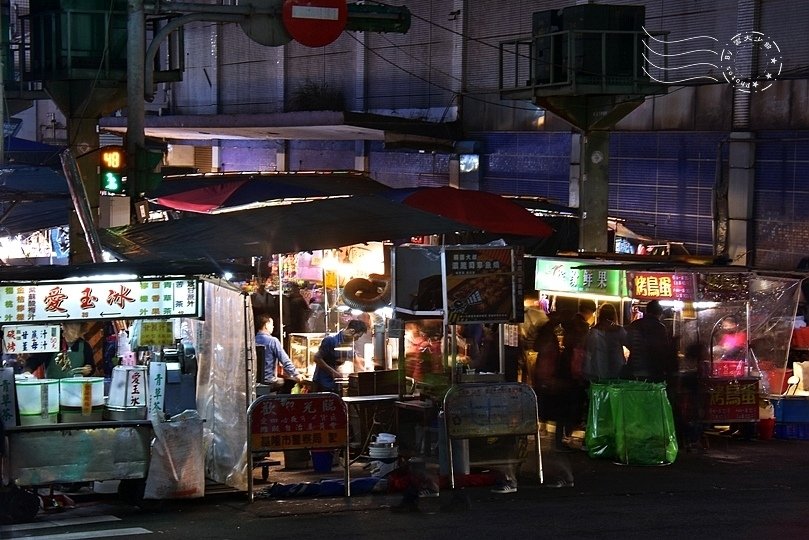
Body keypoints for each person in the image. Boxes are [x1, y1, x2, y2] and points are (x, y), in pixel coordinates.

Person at [622, 300, 677, 382]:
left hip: (634, 369)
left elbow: (626, 342)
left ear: (647, 311)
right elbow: (664, 350)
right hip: (653, 371)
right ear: (659, 313)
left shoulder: (634, 324)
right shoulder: (660, 328)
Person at [311, 319, 368, 393]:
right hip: (323, 383)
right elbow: (316, 358)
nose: (357, 339)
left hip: (335, 383)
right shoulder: (330, 340)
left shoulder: (349, 343)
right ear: (352, 331)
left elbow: (355, 360)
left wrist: (364, 372)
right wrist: (333, 372)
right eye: (358, 336)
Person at [24, 322, 94, 379]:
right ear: (64, 327)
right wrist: (27, 372)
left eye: (78, 331)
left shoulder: (85, 346)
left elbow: (91, 366)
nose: (75, 335)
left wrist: (88, 369)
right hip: (53, 387)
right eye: (72, 331)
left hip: (76, 387)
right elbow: (35, 360)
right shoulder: (53, 342)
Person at [255, 314, 303, 392]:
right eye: (272, 324)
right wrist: (296, 374)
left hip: (255, 383)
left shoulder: (252, 341)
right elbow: (285, 360)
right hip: (269, 382)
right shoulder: (273, 341)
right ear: (266, 325)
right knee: (290, 382)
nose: (273, 327)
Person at [583, 303, 627, 382]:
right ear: (614, 315)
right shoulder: (619, 330)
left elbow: (588, 352)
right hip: (617, 367)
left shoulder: (593, 331)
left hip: (598, 367)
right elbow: (629, 343)